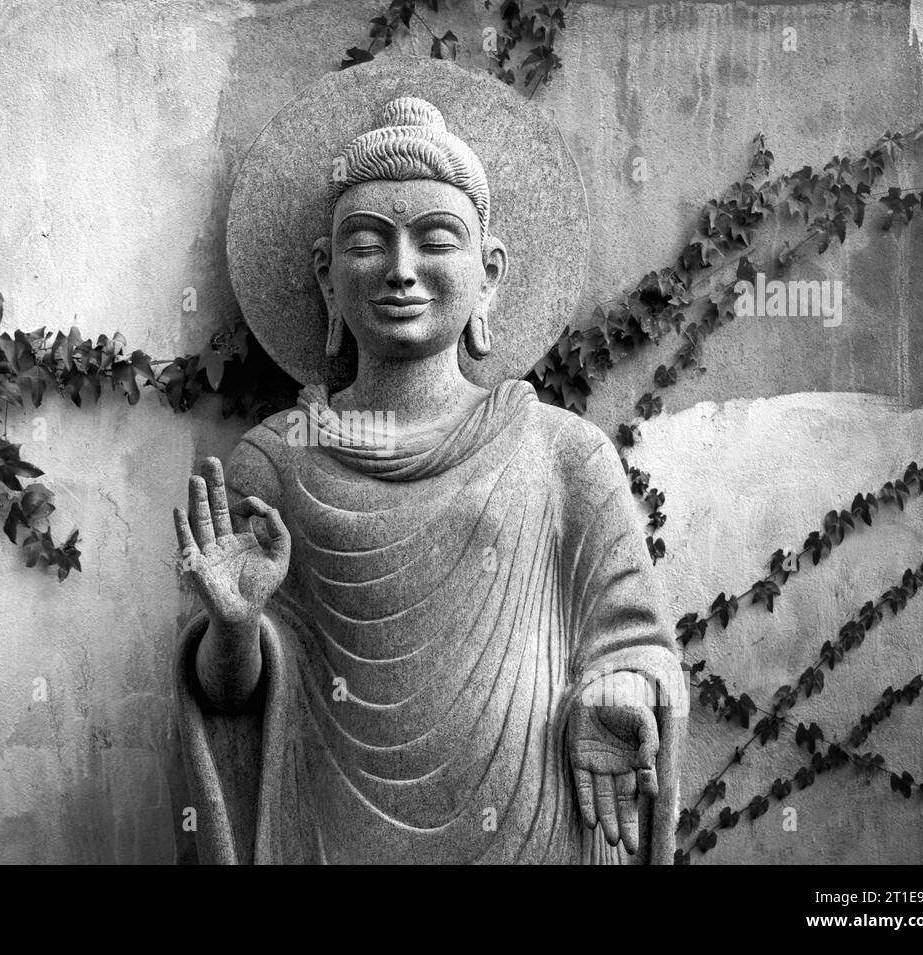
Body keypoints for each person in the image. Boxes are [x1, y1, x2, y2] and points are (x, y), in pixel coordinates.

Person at [173, 96, 686, 864]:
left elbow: (634, 639)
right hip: (332, 835)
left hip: (541, 831)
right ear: (325, 275)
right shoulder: (277, 463)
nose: (401, 270)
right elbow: (230, 703)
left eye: (436, 240)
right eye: (368, 241)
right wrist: (236, 627)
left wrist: (618, 691)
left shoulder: (561, 453)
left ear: (489, 274)